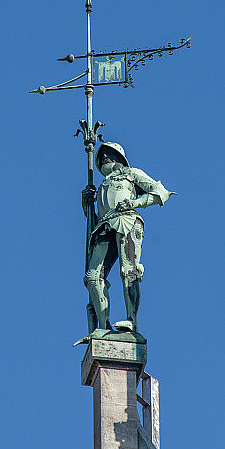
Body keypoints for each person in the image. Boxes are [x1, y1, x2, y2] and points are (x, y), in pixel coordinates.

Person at [81, 142, 174, 334]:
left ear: (119, 158)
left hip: (127, 221)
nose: (105, 157)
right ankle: (103, 324)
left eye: (109, 153)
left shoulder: (130, 174)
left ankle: (132, 320)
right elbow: (95, 217)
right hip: (104, 226)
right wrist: (87, 205)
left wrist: (134, 202)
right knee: (92, 277)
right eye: (102, 155)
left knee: (128, 270)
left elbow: (159, 192)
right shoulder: (101, 186)